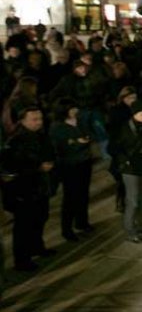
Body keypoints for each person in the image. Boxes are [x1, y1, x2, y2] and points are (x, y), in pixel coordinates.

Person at [0, 107, 56, 271]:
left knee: (40, 218)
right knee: (24, 226)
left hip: (40, 188)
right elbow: (10, 169)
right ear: (22, 121)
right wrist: (38, 168)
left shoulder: (41, 136)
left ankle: (37, 247)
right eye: (34, 119)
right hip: (24, 191)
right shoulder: (15, 141)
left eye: (40, 119)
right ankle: (22, 260)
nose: (39, 122)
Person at [49, 98, 94, 242]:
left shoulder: (80, 120)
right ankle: (66, 229)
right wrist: (76, 142)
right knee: (70, 197)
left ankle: (82, 222)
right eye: (72, 108)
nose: (76, 111)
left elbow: (89, 133)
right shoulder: (57, 127)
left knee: (83, 193)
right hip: (69, 165)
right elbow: (60, 148)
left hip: (84, 162)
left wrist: (85, 139)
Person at [115, 100, 142, 243]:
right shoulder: (125, 128)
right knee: (132, 201)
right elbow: (118, 148)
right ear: (134, 114)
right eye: (141, 114)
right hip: (131, 169)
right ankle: (130, 231)